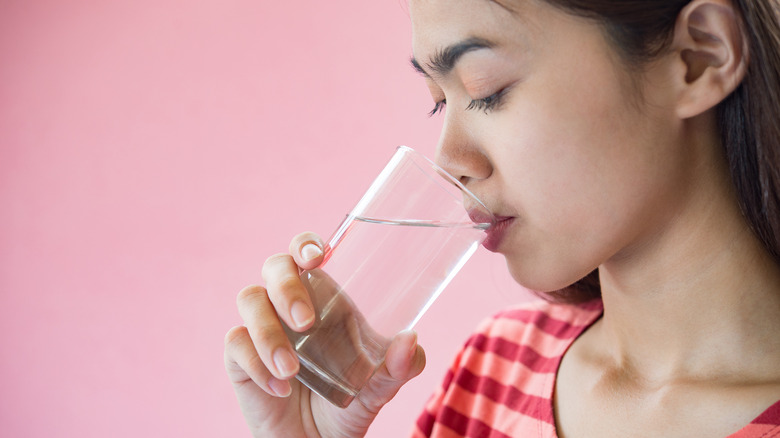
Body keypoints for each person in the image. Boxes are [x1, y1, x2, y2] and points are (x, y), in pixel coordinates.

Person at [224, 0, 780, 436]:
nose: (450, 163)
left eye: (486, 91)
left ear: (699, 55)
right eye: (440, 102)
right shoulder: (489, 373)